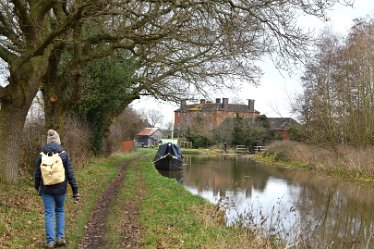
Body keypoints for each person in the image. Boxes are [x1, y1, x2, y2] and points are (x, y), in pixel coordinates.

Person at [34, 129, 80, 249]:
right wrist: (75, 190)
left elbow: (37, 174)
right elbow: (70, 174)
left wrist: (37, 187)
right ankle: (60, 238)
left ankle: (50, 241)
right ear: (58, 141)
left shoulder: (41, 154)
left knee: (49, 213)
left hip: (46, 189)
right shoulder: (64, 154)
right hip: (61, 189)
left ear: (48, 141)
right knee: (59, 211)